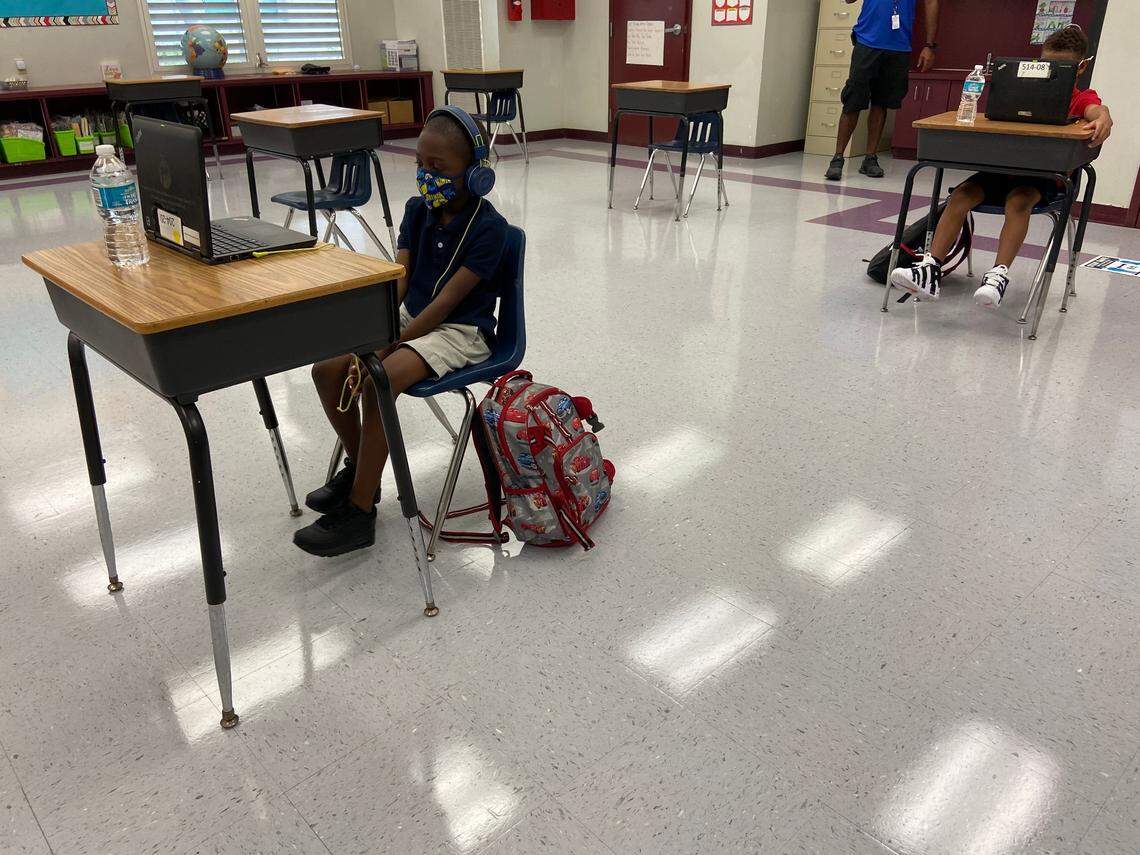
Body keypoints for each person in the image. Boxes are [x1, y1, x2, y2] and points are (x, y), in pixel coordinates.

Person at [294, 106, 509, 557]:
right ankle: (362, 474)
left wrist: (395, 342)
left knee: (379, 378)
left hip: (459, 331)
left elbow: (448, 303)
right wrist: (381, 327)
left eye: (439, 168)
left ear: (476, 174)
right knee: (327, 368)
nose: (425, 176)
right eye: (419, 164)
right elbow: (402, 279)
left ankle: (359, 512)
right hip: (414, 317)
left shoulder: (492, 230)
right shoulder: (417, 210)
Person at [890, 25, 1112, 310]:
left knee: (1018, 201)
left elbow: (1096, 111)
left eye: (1062, 67)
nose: (1052, 71)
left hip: (1046, 177)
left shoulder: (1080, 98)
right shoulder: (1021, 90)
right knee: (960, 195)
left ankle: (998, 276)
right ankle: (930, 269)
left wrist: (1103, 116)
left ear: (1079, 68)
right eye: (1047, 64)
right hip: (1003, 167)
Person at [826, 0, 940, 181]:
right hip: (867, 41)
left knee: (881, 103)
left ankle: (870, 158)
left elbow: (931, 3)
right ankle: (837, 158)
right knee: (852, 101)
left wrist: (929, 45)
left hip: (898, 46)